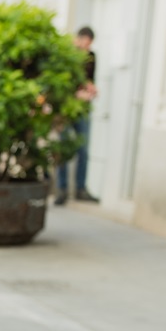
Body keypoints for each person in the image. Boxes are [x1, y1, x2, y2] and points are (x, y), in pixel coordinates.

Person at [55, 25, 99, 205]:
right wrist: (75, 94)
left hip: (82, 109)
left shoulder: (92, 57)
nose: (86, 49)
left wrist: (91, 89)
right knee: (63, 148)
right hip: (67, 108)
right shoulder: (67, 56)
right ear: (78, 39)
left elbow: (89, 79)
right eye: (84, 44)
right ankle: (62, 189)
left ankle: (81, 188)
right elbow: (61, 83)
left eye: (89, 45)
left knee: (83, 148)